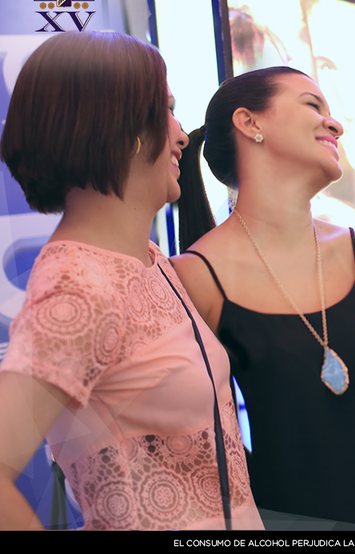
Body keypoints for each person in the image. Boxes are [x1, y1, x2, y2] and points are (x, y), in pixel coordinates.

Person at [0, 31, 263, 531]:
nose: (181, 136)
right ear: (122, 128)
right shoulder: (79, 285)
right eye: (167, 110)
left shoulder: (151, 261)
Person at [172, 66, 355, 530]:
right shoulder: (194, 277)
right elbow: (198, 444)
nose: (335, 124)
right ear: (250, 123)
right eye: (312, 105)